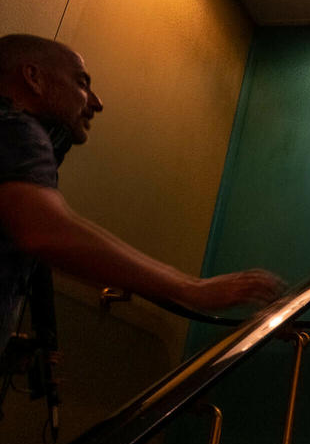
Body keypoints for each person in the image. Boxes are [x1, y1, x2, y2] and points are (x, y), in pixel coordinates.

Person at [0, 34, 285, 358]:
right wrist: (191, 288)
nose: (96, 102)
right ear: (33, 78)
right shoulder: (18, 130)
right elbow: (47, 232)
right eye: (82, 83)